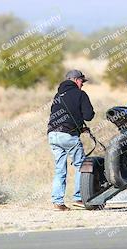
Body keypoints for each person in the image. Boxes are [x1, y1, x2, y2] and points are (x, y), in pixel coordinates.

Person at [47, 70, 95, 211]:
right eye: (81, 81)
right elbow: (89, 115)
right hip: (68, 135)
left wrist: (79, 128)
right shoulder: (80, 94)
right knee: (81, 164)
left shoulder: (58, 95)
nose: (83, 84)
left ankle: (58, 202)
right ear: (75, 80)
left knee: (60, 170)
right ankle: (79, 198)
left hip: (53, 135)